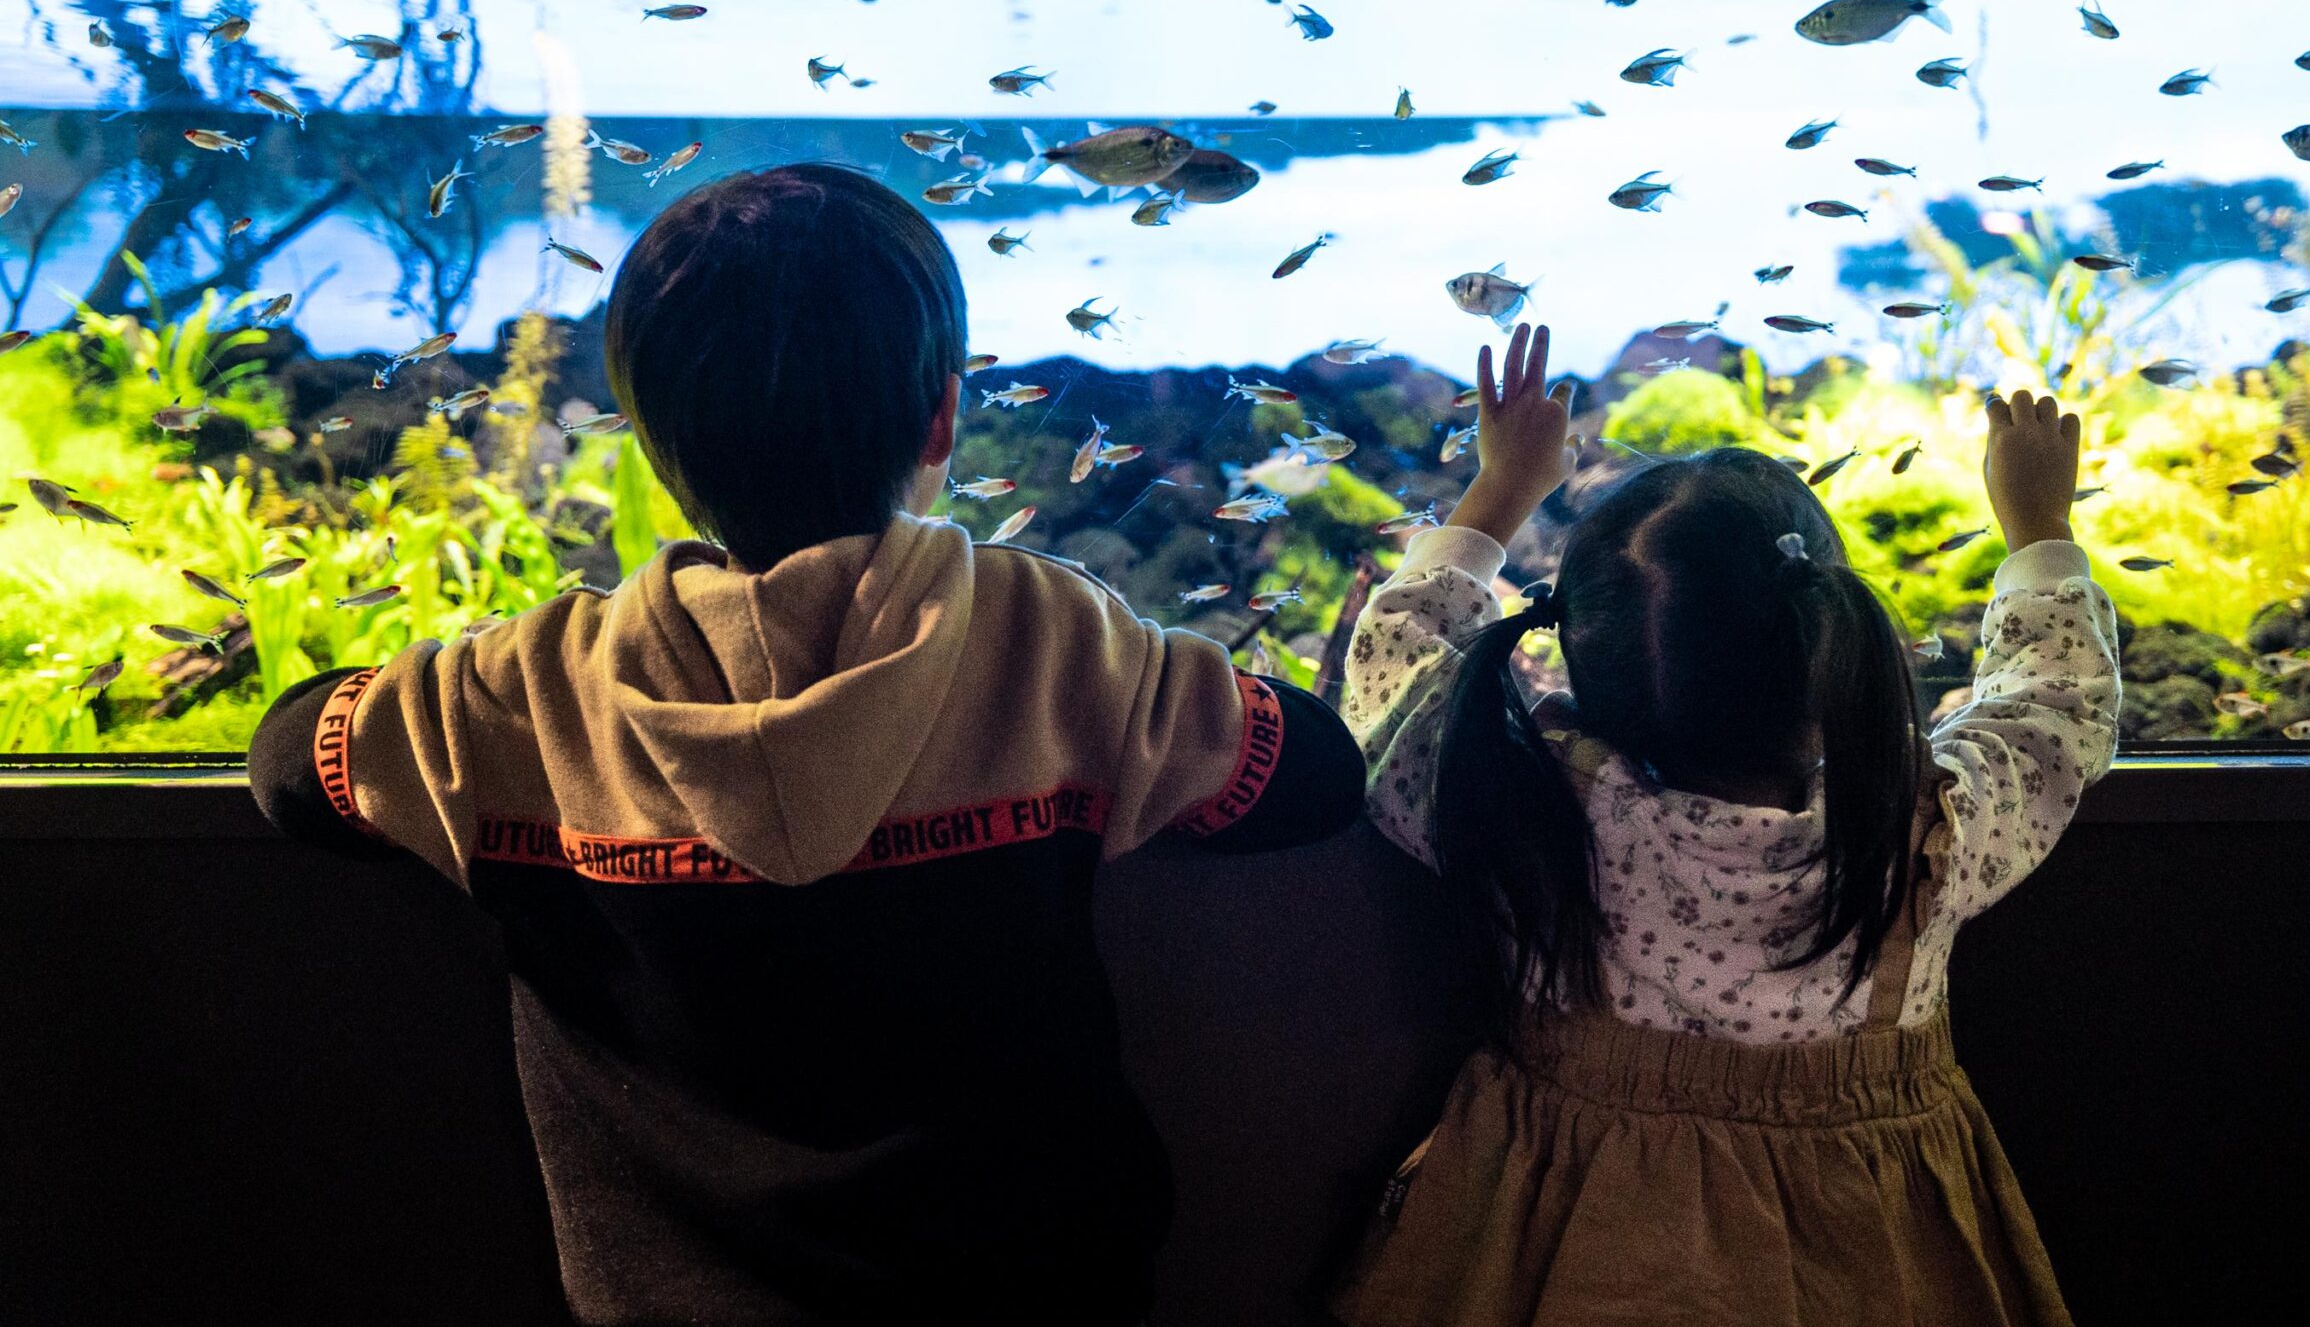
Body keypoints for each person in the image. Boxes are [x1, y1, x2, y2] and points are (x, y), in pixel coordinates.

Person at [246, 163, 1366, 1327]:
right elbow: (1314, 777)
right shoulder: (1049, 644)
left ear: (648, 434)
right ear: (942, 412)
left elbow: (293, 767)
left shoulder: (529, 688)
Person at [1331, 323, 2120, 1327]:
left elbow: (1399, 671)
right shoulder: (1920, 835)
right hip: (1863, 1239)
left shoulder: (1525, 806)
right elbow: (2054, 711)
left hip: (1559, 1233)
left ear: (1577, 644)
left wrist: (1501, 489)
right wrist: (2038, 524)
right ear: (1825, 639)